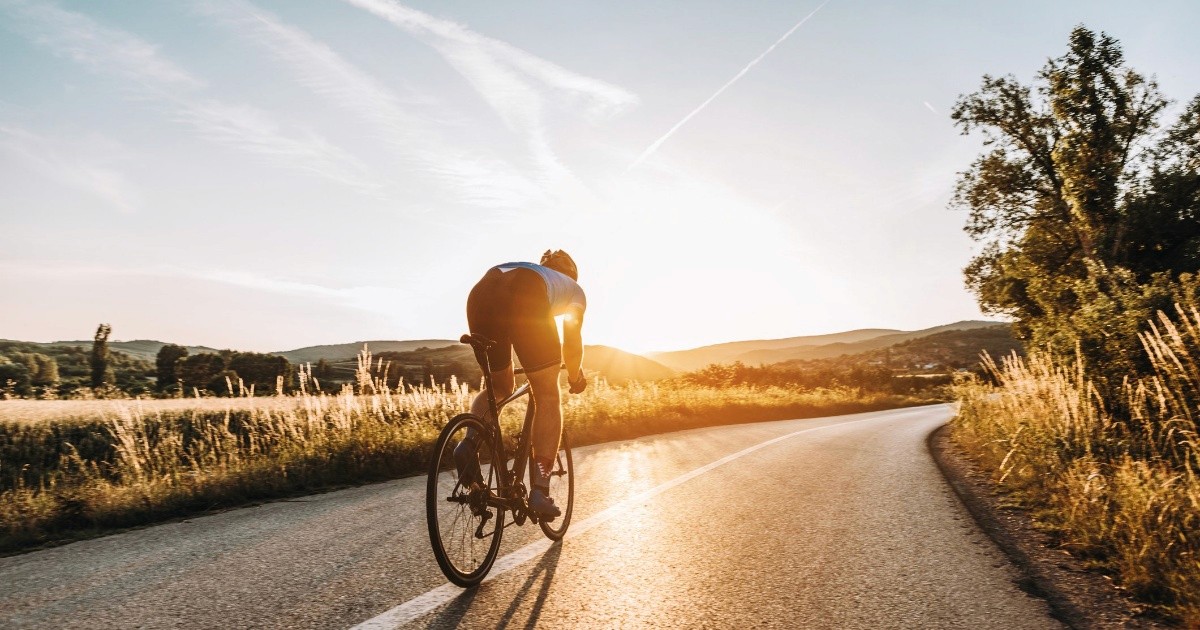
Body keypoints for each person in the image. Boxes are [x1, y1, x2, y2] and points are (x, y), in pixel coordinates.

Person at [455, 249, 587, 520]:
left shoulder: (527, 268)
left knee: (500, 387)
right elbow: (572, 340)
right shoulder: (574, 289)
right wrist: (575, 377)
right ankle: (540, 489)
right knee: (548, 395)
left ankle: (468, 444)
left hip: (481, 293)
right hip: (527, 295)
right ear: (571, 274)